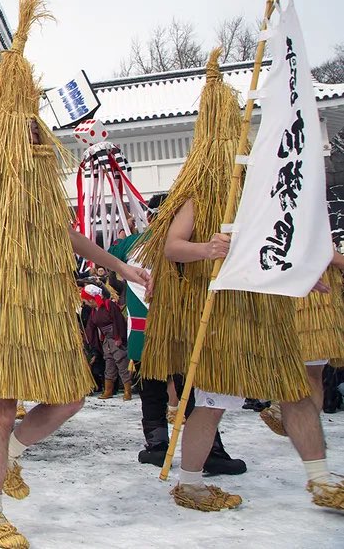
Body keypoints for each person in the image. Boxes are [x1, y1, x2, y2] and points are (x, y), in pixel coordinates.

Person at [0, 0, 151, 549]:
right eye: (23, 131)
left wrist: (123, 269)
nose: (32, 138)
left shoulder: (43, 188)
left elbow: (69, 236)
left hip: (43, 307)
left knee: (71, 395)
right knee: (0, 407)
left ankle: (12, 455)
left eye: (35, 131)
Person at [137, 48, 341, 512]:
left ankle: (322, 479)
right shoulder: (201, 189)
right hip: (224, 319)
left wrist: (303, 277)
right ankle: (190, 483)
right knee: (212, 402)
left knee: (294, 392)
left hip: (264, 310)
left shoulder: (259, 190)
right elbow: (171, 247)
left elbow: (274, 246)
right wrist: (207, 249)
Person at [108, 193, 245, 475]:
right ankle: (209, 451)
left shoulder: (133, 244)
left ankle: (158, 447)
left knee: (155, 393)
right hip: (173, 330)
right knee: (190, 393)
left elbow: (111, 265)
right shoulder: (187, 242)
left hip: (148, 330)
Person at [260, 251, 344, 436]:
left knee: (310, 372)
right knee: (298, 368)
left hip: (317, 296)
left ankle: (305, 429)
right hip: (289, 284)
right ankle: (291, 411)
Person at [81, 284, 132, 401]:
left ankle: (127, 390)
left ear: (91, 299)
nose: (85, 303)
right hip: (106, 340)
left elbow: (118, 320)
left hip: (115, 337)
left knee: (121, 363)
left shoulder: (109, 305)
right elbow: (91, 326)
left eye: (86, 300)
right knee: (109, 364)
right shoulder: (95, 310)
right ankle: (108, 390)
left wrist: (118, 337)